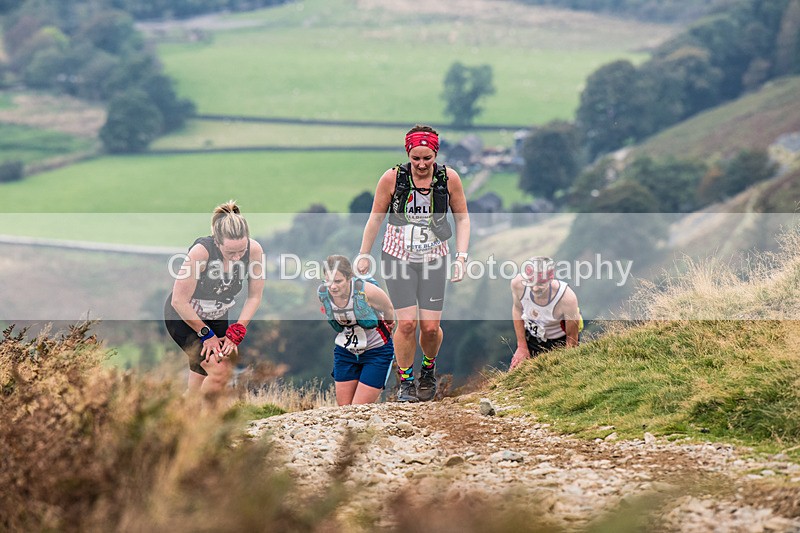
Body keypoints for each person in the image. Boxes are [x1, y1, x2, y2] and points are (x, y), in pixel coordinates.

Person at [356, 124, 470, 402]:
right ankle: (406, 380)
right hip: (397, 256)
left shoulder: (448, 178)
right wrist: (364, 253)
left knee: (430, 328)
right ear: (408, 154)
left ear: (435, 154)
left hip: (434, 258)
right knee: (406, 324)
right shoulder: (392, 178)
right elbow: (375, 218)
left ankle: (428, 369)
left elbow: (463, 218)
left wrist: (461, 257)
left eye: (427, 158)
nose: (421, 164)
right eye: (415, 158)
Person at [164, 200, 265, 396]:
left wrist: (237, 330)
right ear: (217, 243)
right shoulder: (201, 252)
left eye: (241, 251)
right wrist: (206, 334)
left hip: (217, 313)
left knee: (219, 368)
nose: (237, 257)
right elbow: (179, 300)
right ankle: (205, 420)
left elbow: (254, 296)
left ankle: (188, 414)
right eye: (230, 252)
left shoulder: (254, 250)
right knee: (218, 370)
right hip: (184, 316)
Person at [319, 255, 396, 405]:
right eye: (328, 281)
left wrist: (390, 324)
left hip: (376, 351)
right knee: (344, 410)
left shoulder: (368, 291)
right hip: (345, 351)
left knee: (358, 409)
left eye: (338, 281)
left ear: (349, 278)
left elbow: (388, 308)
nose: (332, 286)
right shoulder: (323, 293)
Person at [510, 256, 581, 370]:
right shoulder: (518, 284)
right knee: (519, 376)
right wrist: (522, 346)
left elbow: (572, 338)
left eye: (540, 284)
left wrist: (567, 364)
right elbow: (517, 309)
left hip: (559, 343)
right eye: (531, 283)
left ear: (550, 279)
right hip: (532, 339)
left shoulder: (566, 298)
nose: (535, 288)